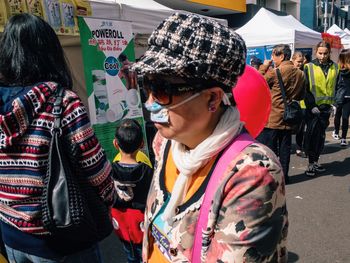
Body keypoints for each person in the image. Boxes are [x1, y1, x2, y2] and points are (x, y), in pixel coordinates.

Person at [131, 13, 288, 262]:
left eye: (162, 90)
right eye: (146, 85)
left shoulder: (253, 172)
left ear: (213, 98)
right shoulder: (164, 143)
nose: (149, 102)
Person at [0, 14, 115, 262]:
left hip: (10, 232)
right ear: (49, 51)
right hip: (61, 234)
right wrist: (110, 196)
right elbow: (95, 168)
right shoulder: (63, 101)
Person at [257, 44, 305, 184]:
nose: (272, 58)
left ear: (282, 56)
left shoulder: (275, 72)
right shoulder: (300, 74)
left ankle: (272, 178)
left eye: (274, 55)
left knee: (270, 151)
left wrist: (264, 66)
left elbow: (258, 81)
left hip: (273, 118)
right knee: (285, 149)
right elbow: (301, 95)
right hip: (289, 117)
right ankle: (285, 177)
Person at [110, 119, 153, 263]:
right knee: (146, 255)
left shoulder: (109, 170)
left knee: (130, 254)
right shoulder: (147, 171)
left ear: (115, 143)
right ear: (142, 144)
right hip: (141, 225)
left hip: (121, 224)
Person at [302, 41, 339, 177]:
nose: (322, 56)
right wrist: (311, 106)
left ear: (329, 53)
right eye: (320, 53)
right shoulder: (308, 67)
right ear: (316, 52)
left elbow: (338, 86)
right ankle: (310, 163)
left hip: (326, 108)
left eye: (325, 53)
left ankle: (316, 161)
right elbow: (305, 89)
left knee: (321, 137)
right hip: (313, 109)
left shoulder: (335, 67)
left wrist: (335, 103)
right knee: (312, 136)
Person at [292, 51, 308, 158]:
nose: (300, 64)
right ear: (292, 60)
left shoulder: (304, 72)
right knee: (288, 128)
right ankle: (287, 147)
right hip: (290, 104)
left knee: (300, 129)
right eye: (298, 61)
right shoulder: (289, 72)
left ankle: (298, 148)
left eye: (301, 62)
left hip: (302, 104)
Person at [334, 48, 350, 146]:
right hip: (348, 96)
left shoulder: (337, 69)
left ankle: (336, 132)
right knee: (345, 117)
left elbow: (335, 84)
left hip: (339, 95)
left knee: (338, 115)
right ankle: (343, 138)